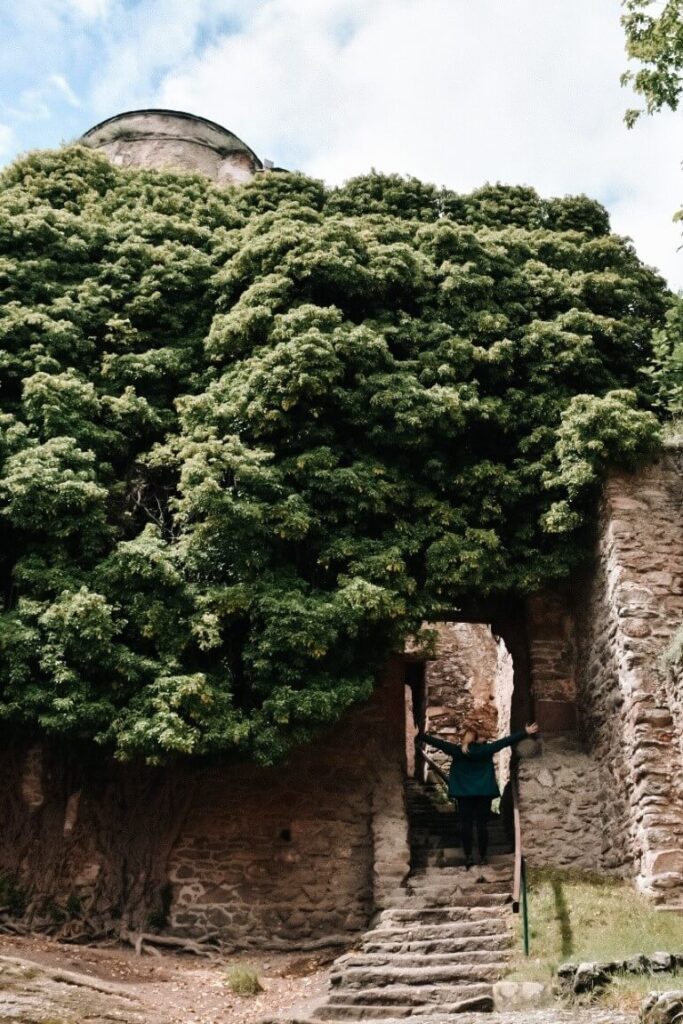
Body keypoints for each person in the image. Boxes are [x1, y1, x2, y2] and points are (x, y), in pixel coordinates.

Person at [417, 721, 539, 868]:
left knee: (466, 825)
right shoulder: (486, 749)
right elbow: (505, 742)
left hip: (464, 794)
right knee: (482, 825)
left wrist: (420, 735)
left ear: (465, 739)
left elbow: (438, 743)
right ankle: (482, 857)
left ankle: (468, 856)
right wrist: (525, 732)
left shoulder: (457, 750)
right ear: (476, 739)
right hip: (483, 793)